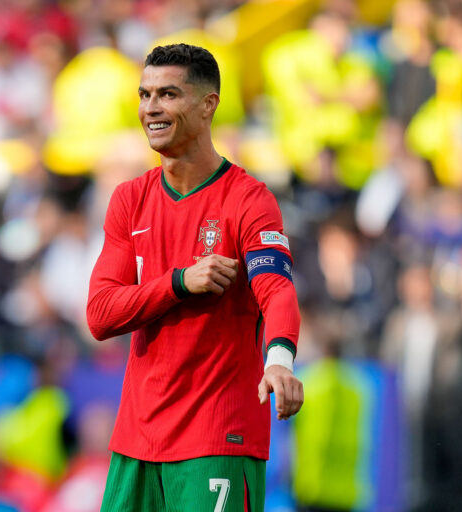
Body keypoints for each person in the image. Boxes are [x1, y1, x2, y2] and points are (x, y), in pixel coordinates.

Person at [86, 43, 303, 512]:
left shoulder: (249, 199)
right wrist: (179, 282)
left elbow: (277, 289)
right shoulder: (129, 199)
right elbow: (100, 315)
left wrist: (280, 359)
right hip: (137, 441)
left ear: (208, 105)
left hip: (216, 436)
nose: (151, 108)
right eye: (145, 95)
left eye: (168, 94)